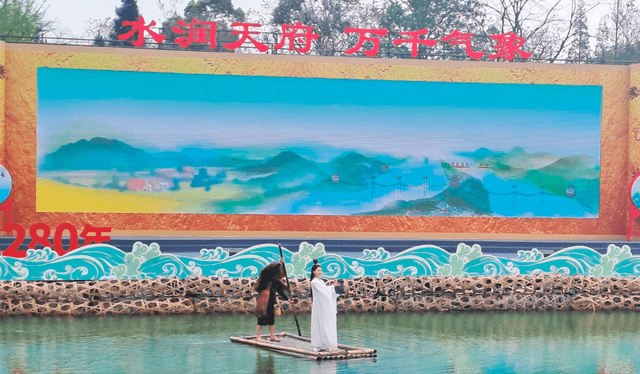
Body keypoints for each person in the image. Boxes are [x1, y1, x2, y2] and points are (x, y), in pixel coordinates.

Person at [254, 258, 291, 342]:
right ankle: (258, 337)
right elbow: (268, 271)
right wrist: (279, 264)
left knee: (271, 319)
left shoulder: (275, 281)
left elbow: (280, 291)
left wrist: (287, 299)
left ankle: (272, 336)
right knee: (261, 318)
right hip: (263, 300)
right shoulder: (265, 278)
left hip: (271, 301)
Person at [309, 259, 342, 352]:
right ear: (313, 272)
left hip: (323, 306)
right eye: (318, 270)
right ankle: (320, 344)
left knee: (325, 324)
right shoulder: (314, 282)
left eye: (321, 270)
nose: (320, 272)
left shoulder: (321, 281)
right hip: (319, 307)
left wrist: (333, 287)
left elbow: (326, 290)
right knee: (321, 324)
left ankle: (325, 344)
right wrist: (332, 287)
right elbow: (323, 291)